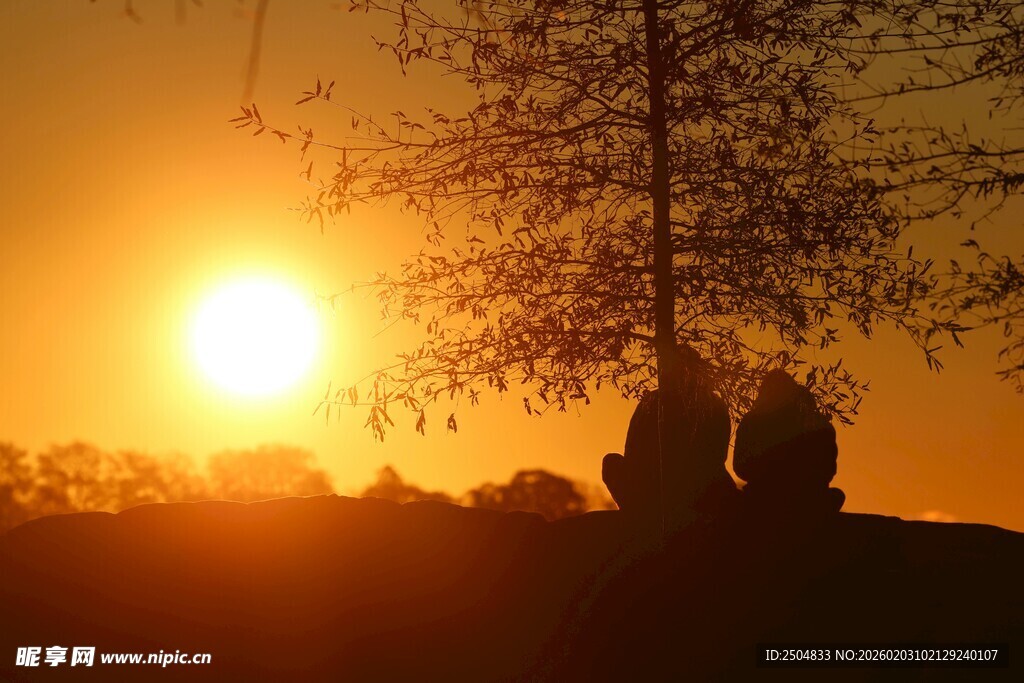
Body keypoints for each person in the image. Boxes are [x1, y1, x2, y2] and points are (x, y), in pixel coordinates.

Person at [602, 361, 738, 530]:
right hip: (678, 485)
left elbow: (632, 453)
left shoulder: (654, 401)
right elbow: (719, 455)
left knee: (611, 462)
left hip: (679, 486)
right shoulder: (713, 403)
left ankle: (637, 514)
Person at [733, 369, 845, 516]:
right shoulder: (817, 422)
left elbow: (741, 467)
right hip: (806, 499)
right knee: (836, 495)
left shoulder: (753, 420)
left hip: (764, 496)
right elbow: (828, 470)